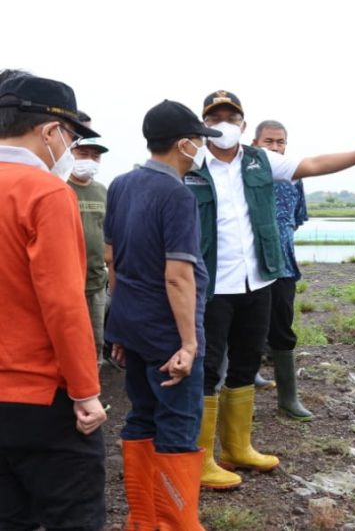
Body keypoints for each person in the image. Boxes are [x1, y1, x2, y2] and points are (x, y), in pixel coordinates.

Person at [187, 90, 355, 489]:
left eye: (230, 117)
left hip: (258, 279)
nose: (223, 124)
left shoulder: (259, 161)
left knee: (246, 362)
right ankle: (201, 461)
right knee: (206, 369)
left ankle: (238, 447)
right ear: (204, 124)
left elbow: (314, 163)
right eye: (214, 117)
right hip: (212, 286)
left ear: (241, 124)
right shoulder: (191, 162)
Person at [104, 100, 221, 528]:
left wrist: (119, 325)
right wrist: (189, 343)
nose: (200, 150)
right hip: (168, 335)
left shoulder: (121, 184)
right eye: (198, 142)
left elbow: (113, 262)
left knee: (141, 416)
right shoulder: (176, 194)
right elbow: (178, 276)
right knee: (177, 426)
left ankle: (142, 520)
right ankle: (174, 523)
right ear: (183, 143)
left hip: (133, 329)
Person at [0, 70, 107, 531]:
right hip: (41, 395)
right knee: (73, 515)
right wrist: (86, 393)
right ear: (49, 131)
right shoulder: (45, 192)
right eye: (70, 136)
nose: (69, 149)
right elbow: (64, 303)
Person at [252, 119, 313, 420]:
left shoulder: (294, 177)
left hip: (284, 265)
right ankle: (245, 377)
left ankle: (288, 398)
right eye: (269, 142)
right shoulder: (246, 175)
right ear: (255, 144)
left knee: (281, 325)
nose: (275, 147)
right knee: (244, 325)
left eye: (280, 142)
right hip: (250, 262)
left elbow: (296, 218)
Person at [68, 136, 110, 367]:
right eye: (83, 154)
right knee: (69, 340)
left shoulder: (102, 191)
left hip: (95, 281)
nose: (89, 160)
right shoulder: (60, 186)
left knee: (95, 340)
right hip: (68, 283)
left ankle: (92, 391)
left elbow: (109, 233)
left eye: (95, 156)